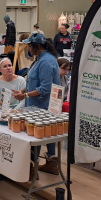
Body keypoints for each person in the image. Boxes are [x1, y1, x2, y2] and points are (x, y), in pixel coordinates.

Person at [13, 33, 60, 178]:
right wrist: (22, 91)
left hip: (42, 106)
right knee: (47, 133)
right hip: (38, 105)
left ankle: (32, 169)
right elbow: (32, 81)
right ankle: (51, 163)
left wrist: (25, 95)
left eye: (29, 46)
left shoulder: (46, 62)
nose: (28, 48)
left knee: (38, 135)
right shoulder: (40, 59)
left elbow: (45, 88)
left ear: (37, 46)